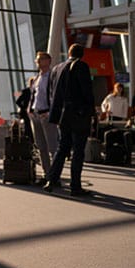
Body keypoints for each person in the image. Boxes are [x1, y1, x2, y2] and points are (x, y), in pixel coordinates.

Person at [43, 44, 94, 197]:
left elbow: (50, 92)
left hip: (62, 116)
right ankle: (75, 186)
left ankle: (51, 179)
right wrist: (91, 112)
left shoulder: (56, 68)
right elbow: (87, 91)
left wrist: (55, 112)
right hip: (78, 114)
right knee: (78, 150)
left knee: (62, 147)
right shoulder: (81, 66)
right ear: (82, 54)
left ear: (69, 53)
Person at [29, 51, 60, 183]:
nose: (38, 62)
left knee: (52, 146)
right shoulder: (37, 78)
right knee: (41, 146)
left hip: (46, 113)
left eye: (40, 59)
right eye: (38, 60)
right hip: (35, 114)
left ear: (48, 61)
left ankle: (55, 175)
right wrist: (29, 110)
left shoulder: (52, 77)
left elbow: (56, 96)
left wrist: (50, 112)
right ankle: (46, 174)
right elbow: (33, 95)